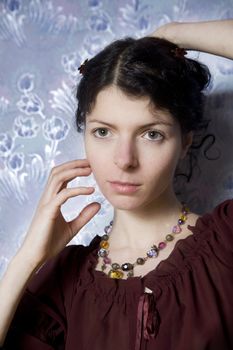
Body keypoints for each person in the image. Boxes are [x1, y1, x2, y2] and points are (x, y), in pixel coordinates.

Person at [0, 19, 233, 350]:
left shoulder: (225, 242)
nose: (124, 159)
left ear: (184, 143)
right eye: (103, 132)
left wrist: (174, 34)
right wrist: (27, 259)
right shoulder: (66, 281)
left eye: (151, 134)